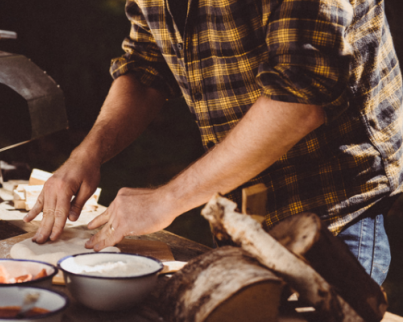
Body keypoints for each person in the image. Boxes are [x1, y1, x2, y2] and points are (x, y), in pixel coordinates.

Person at [24, 0, 402, 285]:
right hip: (240, 204)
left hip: (332, 211)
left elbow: (298, 101)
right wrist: (86, 154)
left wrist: (166, 199)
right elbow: (145, 66)